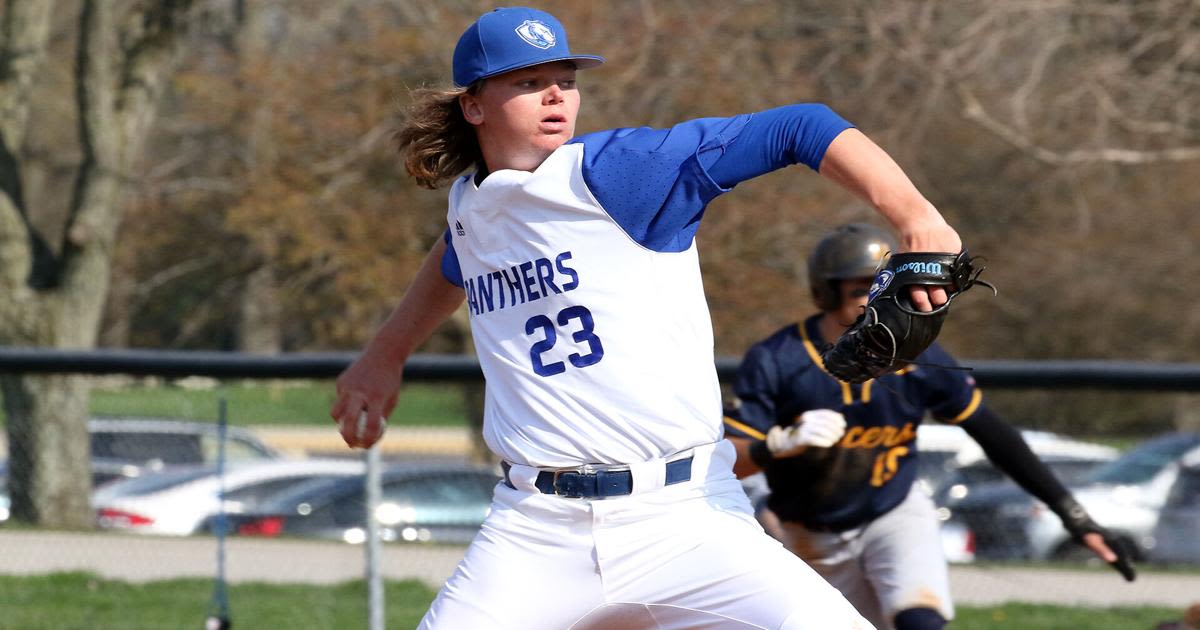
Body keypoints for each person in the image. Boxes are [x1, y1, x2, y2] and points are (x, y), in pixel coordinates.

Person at [331, 7, 965, 629]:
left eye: (568, 81)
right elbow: (454, 257)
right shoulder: (476, 205)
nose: (557, 96)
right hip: (534, 528)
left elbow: (800, 126)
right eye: (529, 82)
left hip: (686, 518)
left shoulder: (621, 174)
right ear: (473, 106)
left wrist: (916, 217)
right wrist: (384, 354)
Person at [723, 223, 1136, 630]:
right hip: (809, 529)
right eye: (860, 287)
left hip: (894, 510)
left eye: (883, 286)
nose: (875, 298)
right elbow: (729, 462)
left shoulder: (918, 357)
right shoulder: (778, 358)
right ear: (825, 293)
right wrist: (776, 444)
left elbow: (993, 435)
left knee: (920, 617)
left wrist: (1074, 516)